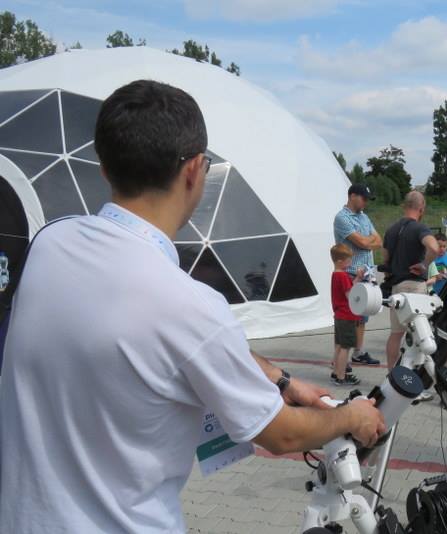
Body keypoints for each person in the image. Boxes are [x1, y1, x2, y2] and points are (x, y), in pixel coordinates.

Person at [0, 80, 385, 533]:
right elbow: (281, 434)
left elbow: (180, 342)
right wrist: (350, 416)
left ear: (104, 168)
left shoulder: (51, 242)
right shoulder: (190, 305)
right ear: (194, 170)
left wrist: (279, 379)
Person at [382, 191, 439, 371]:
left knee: (395, 334)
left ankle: (392, 374)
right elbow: (434, 248)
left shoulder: (391, 230)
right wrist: (424, 264)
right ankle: (414, 376)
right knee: (419, 335)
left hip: (397, 287)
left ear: (404, 206)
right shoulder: (420, 228)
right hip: (415, 287)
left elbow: (385, 260)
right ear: (421, 208)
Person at [333, 183, 382, 366]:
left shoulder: (364, 217)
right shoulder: (342, 218)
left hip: (366, 273)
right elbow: (363, 242)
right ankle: (341, 358)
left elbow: (378, 241)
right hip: (351, 274)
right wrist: (368, 241)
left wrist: (367, 241)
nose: (365, 202)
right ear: (352, 196)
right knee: (347, 318)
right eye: (363, 198)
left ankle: (358, 352)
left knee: (362, 317)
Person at [330, 244, 364, 386]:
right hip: (347, 316)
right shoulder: (343, 276)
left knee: (339, 345)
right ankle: (341, 376)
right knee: (346, 347)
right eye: (348, 261)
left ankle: (336, 372)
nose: (350, 263)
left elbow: (348, 288)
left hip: (339, 315)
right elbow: (350, 296)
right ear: (340, 261)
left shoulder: (336, 274)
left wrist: (357, 278)